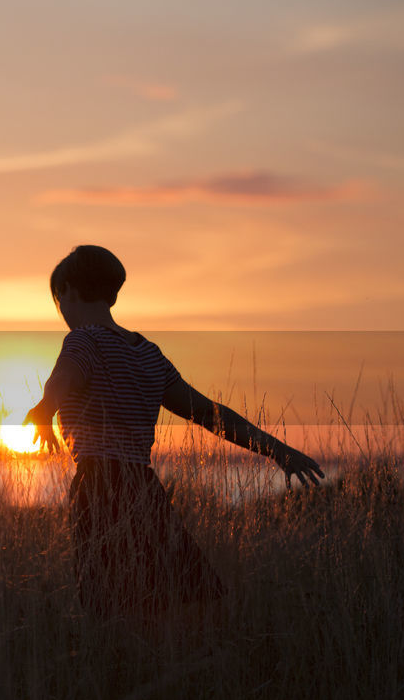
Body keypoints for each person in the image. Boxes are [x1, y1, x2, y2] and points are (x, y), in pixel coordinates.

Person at [24, 245, 323, 623]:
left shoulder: (83, 341)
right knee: (161, 600)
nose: (60, 309)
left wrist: (43, 412)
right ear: (113, 293)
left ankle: (121, 674)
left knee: (106, 605)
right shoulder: (148, 353)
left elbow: (61, 381)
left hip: (98, 484)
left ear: (66, 290)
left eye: (58, 298)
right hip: (144, 488)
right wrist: (278, 450)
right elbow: (211, 414)